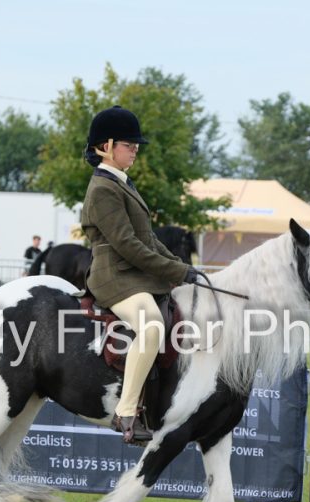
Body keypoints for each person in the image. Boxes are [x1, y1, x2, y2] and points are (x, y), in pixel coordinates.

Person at [79, 106, 198, 443]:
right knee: (151, 325)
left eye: (135, 145)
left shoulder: (123, 183)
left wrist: (182, 267)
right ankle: (126, 410)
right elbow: (128, 245)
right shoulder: (102, 189)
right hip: (114, 276)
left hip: (134, 274)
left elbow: (149, 240)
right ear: (106, 146)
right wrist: (175, 270)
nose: (135, 150)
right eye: (128, 144)